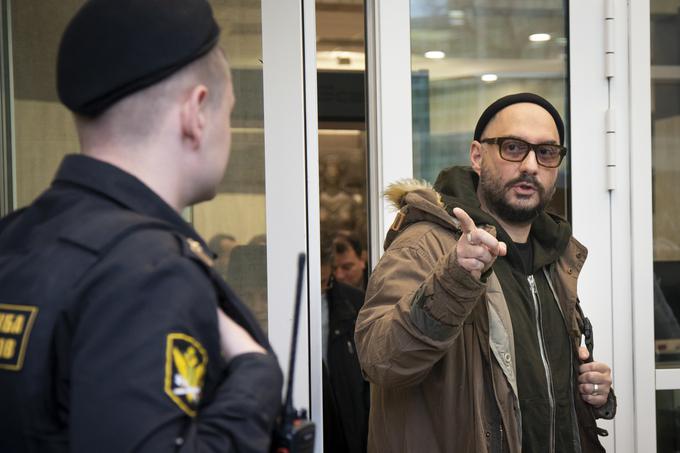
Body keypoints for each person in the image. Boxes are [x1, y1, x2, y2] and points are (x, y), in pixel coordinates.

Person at [0, 1, 282, 452]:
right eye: (230, 112)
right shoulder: (149, 271)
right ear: (197, 112)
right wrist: (256, 375)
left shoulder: (15, 237)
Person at [355, 93, 616, 453]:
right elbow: (380, 360)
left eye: (546, 152)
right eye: (512, 147)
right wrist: (454, 279)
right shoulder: (426, 244)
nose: (530, 166)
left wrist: (591, 391)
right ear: (477, 156)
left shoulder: (556, 255)